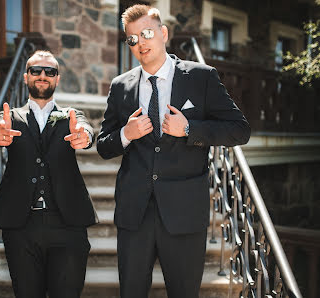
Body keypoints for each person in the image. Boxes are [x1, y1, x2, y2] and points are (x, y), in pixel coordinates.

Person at [97, 4, 251, 298]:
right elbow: (104, 146)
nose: (140, 43)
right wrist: (125, 134)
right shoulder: (120, 86)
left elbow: (239, 129)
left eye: (146, 33)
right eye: (132, 39)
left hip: (184, 214)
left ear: (163, 33)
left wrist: (190, 129)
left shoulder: (201, 77)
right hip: (134, 214)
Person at [0, 50, 98, 298]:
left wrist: (84, 136)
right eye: (36, 70)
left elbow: (86, 130)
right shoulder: (10, 117)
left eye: (50, 71)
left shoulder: (71, 115)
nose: (42, 75)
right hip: (21, 227)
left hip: (67, 225)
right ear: (26, 76)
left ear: (57, 79)